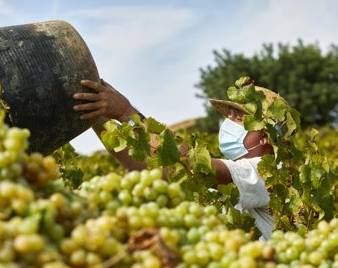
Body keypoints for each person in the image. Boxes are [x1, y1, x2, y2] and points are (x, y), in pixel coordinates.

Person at [72, 79, 286, 240]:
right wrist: (97, 117)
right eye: (229, 114)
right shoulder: (229, 178)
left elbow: (189, 162)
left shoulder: (268, 173)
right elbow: (143, 168)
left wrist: (126, 112)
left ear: (265, 136)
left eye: (239, 117)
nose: (229, 121)